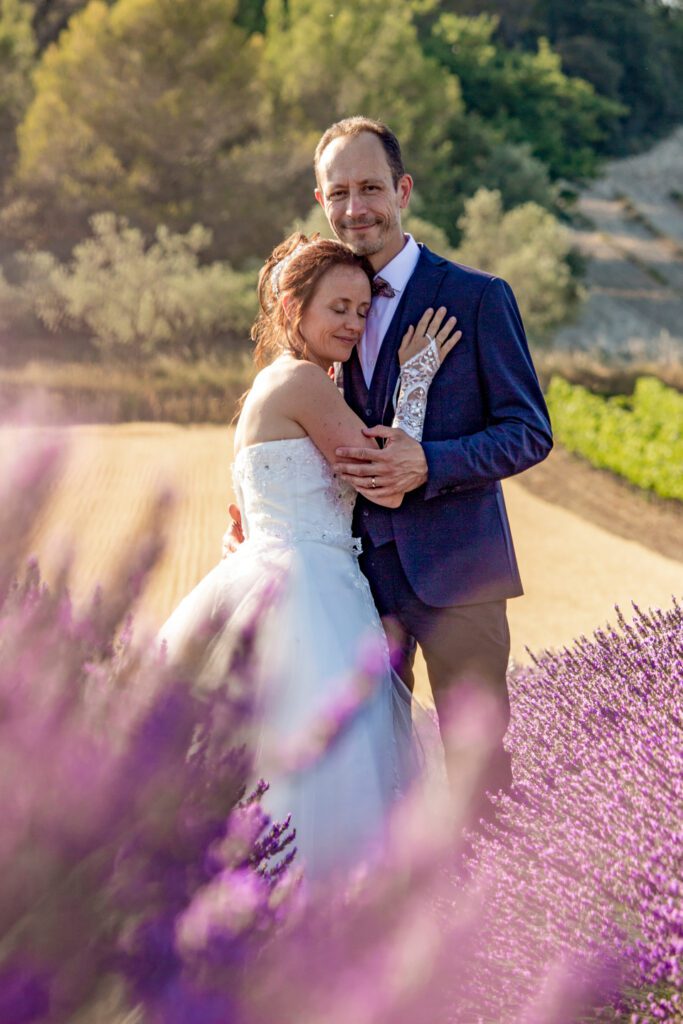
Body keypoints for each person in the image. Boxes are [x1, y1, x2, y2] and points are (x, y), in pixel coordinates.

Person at [227, 118, 553, 820]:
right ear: (321, 199)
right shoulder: (321, 311)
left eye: (371, 187)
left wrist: (429, 461)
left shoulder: (474, 296)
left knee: (478, 781)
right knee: (371, 779)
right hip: (355, 590)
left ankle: (496, 923)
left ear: (402, 189)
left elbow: (528, 432)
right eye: (338, 192)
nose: (356, 208)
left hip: (458, 577)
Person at [160, 233, 457, 880]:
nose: (353, 324)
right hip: (310, 591)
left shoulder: (275, 382)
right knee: (331, 762)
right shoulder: (302, 383)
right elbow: (383, 472)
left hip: (285, 574)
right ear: (293, 309)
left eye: (361, 311)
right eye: (338, 308)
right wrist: (416, 376)